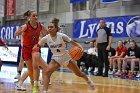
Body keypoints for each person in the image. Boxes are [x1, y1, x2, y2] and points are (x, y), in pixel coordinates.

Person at [33, 18, 95, 93]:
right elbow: (38, 45)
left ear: (56, 28)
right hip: (56, 58)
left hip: (66, 58)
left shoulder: (62, 36)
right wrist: (35, 47)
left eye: (51, 27)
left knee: (79, 74)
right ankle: (44, 91)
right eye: (48, 27)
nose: (49, 28)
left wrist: (80, 47)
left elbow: (72, 42)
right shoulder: (45, 38)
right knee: (47, 72)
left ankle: (88, 80)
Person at [14, 10, 48, 93]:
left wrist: (43, 41)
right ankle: (29, 84)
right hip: (26, 49)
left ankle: (39, 83)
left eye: (36, 15)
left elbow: (47, 34)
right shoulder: (26, 26)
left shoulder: (40, 26)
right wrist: (20, 30)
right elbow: (16, 34)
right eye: (34, 16)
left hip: (35, 48)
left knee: (43, 67)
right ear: (29, 17)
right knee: (31, 69)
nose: (36, 17)